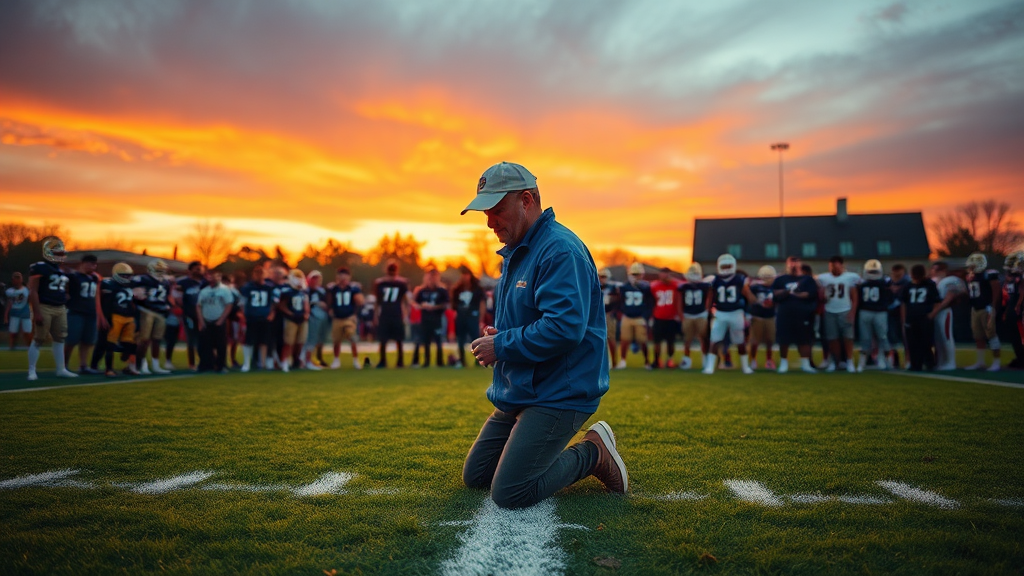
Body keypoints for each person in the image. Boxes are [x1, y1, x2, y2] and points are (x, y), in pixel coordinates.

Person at [459, 161, 625, 510]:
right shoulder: (520, 250)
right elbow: (534, 317)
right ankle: (531, 442)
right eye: (485, 212)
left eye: (497, 210)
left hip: (559, 391)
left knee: (510, 492)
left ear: (526, 200)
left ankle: (594, 452)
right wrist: (501, 334)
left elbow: (564, 328)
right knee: (477, 476)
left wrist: (501, 344)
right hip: (524, 387)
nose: (490, 222)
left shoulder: (559, 249)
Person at [27, 236, 77, 381]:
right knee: (38, 339)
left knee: (60, 338)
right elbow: (33, 290)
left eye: (62, 254)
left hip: (60, 308)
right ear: (48, 252)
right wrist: (36, 312)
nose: (61, 256)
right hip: (44, 306)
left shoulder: (59, 270)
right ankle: (32, 371)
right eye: (58, 253)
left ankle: (61, 369)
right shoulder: (40, 267)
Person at [702, 254, 757, 375]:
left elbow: (747, 294)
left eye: (728, 265)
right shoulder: (715, 280)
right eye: (724, 265)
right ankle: (710, 366)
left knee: (740, 340)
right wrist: (708, 310)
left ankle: (745, 367)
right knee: (715, 340)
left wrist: (754, 303)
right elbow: (710, 297)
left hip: (736, 313)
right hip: (720, 313)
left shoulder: (739, 279)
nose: (726, 268)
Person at [771, 256, 819, 374]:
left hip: (803, 313)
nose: (793, 266)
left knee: (804, 339)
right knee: (784, 339)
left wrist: (793, 294)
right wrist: (786, 292)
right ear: (787, 264)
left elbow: (809, 294)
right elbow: (774, 294)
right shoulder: (780, 279)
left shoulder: (807, 279)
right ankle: (783, 363)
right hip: (784, 313)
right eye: (791, 263)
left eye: (796, 263)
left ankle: (805, 364)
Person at [817, 256, 861, 373]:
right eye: (831, 266)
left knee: (848, 338)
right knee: (832, 339)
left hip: (845, 310)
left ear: (841, 266)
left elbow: (854, 297)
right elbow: (821, 296)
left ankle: (849, 361)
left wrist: (852, 312)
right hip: (829, 311)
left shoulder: (850, 277)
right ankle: (835, 362)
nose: (834, 269)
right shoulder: (824, 278)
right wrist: (822, 296)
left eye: (836, 266)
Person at [62, 254, 105, 374]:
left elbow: (97, 296)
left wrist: (99, 313)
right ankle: (63, 365)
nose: (93, 266)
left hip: (90, 312)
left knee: (88, 341)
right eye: (91, 263)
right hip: (76, 311)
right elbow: (64, 288)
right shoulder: (73, 276)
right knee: (71, 340)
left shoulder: (94, 278)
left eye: (95, 264)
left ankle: (83, 365)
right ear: (83, 263)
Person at [98, 262, 140, 377]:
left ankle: (129, 366)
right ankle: (109, 369)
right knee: (110, 344)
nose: (127, 278)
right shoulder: (109, 284)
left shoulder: (131, 285)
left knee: (130, 344)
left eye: (128, 275)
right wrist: (106, 318)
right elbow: (105, 303)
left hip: (129, 317)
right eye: (124, 275)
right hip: (116, 316)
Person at [133, 259, 174, 375]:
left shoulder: (165, 282)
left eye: (162, 269)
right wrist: (138, 294)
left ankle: (155, 365)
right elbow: (135, 294)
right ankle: (141, 364)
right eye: (158, 269)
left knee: (157, 340)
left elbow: (167, 296)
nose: (161, 272)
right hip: (146, 310)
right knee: (144, 340)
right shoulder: (142, 279)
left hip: (160, 312)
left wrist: (168, 305)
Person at [964, 252, 1002, 371]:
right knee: (978, 336)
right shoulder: (971, 276)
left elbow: (996, 290)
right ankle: (980, 362)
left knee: (991, 335)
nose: (971, 267)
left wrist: (993, 306)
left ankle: (996, 362)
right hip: (975, 308)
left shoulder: (989, 275)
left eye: (973, 265)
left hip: (986, 308)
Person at [900, 264, 941, 371]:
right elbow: (903, 303)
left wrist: (932, 314)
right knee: (912, 342)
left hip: (924, 317)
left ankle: (929, 363)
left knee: (926, 342)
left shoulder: (929, 285)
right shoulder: (908, 286)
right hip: (912, 317)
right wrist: (904, 319)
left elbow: (937, 301)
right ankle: (915, 364)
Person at [239, 266, 278, 372]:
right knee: (249, 341)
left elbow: (273, 303)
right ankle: (246, 363)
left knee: (264, 341)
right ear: (253, 274)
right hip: (251, 317)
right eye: (257, 273)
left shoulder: (269, 287)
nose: (259, 275)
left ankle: (262, 363)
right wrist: (243, 315)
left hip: (265, 317)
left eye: (261, 272)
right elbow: (242, 302)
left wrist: (272, 314)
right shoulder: (248, 287)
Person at [856, 259, 892, 372]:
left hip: (879, 312)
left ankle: (883, 359)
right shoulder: (863, 284)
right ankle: (863, 362)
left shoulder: (884, 284)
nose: (873, 274)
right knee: (866, 338)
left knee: (882, 336)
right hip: (867, 311)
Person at [196, 271, 235, 373]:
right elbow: (199, 306)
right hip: (206, 320)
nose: (213, 278)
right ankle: (206, 365)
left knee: (221, 345)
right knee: (204, 345)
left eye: (216, 276)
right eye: (211, 276)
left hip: (219, 319)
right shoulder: (204, 291)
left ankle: (221, 365)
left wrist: (221, 319)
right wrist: (201, 320)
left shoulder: (225, 290)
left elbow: (229, 305)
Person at [374, 261, 410, 368]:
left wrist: (405, 313)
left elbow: (405, 300)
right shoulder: (380, 283)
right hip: (385, 313)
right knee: (383, 339)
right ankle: (383, 361)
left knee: (399, 339)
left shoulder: (401, 284)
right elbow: (378, 301)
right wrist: (375, 315)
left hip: (396, 313)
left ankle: (400, 361)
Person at [412, 267, 450, 368]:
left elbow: (445, 304)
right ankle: (426, 361)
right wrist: (422, 306)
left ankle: (440, 361)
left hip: (437, 318)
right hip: (425, 319)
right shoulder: (422, 291)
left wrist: (434, 307)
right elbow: (415, 303)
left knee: (438, 341)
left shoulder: (442, 291)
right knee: (426, 341)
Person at [931, 261, 965, 371]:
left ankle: (951, 362)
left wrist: (936, 310)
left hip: (944, 312)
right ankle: (941, 361)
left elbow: (953, 296)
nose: (934, 272)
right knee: (938, 339)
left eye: (936, 270)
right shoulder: (934, 281)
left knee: (946, 337)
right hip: (936, 311)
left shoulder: (949, 281)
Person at [328, 267, 364, 369]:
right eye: (340, 276)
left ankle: (356, 359)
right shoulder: (333, 288)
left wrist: (356, 314)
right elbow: (330, 302)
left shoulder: (353, 289)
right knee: (336, 340)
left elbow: (360, 302)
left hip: (349, 317)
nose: (342, 279)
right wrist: (330, 310)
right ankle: (336, 359)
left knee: (352, 337)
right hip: (337, 317)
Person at [617, 263, 652, 369]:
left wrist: (646, 316)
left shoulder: (645, 287)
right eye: (634, 274)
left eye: (638, 274)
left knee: (643, 341)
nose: (636, 276)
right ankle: (623, 361)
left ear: (642, 274)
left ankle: (646, 362)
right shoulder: (624, 287)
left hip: (640, 317)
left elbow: (650, 303)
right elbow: (620, 301)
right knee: (624, 340)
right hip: (627, 316)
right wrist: (623, 311)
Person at [450, 265, 486, 369]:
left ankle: (478, 361)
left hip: (472, 316)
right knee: (460, 339)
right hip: (461, 317)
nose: (464, 277)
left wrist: (480, 318)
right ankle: (462, 360)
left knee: (475, 339)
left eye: (466, 275)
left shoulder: (477, 289)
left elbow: (482, 304)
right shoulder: (457, 289)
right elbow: (453, 305)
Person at [675, 264, 709, 370]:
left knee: (703, 338)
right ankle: (687, 360)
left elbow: (709, 298)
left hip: (700, 314)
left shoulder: (705, 286)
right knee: (687, 339)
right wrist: (681, 315)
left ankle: (705, 359)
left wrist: (706, 311)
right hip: (688, 314)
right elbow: (679, 302)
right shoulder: (683, 287)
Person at [276, 269, 310, 373]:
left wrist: (306, 313)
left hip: (302, 319)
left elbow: (306, 303)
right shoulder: (287, 290)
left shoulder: (303, 291)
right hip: (291, 319)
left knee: (300, 342)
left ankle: (296, 360)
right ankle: (285, 362)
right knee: (288, 343)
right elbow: (281, 305)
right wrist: (291, 313)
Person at [175, 261, 207, 371]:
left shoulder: (205, 283)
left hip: (204, 316)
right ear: (191, 270)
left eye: (201, 268)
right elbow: (178, 298)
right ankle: (192, 363)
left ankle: (205, 362)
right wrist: (186, 309)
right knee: (191, 339)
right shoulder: (183, 282)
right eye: (197, 269)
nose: (199, 271)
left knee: (204, 340)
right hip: (190, 314)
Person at [649, 267, 681, 368]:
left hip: (671, 317)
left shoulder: (675, 285)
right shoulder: (654, 285)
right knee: (657, 341)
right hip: (658, 317)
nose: (664, 276)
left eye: (666, 274)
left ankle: (670, 360)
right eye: (663, 273)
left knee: (670, 342)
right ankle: (657, 360)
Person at [748, 265, 777, 371]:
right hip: (758, 316)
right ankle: (753, 359)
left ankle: (769, 360)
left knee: (770, 340)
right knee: (755, 340)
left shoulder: (775, 287)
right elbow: (749, 297)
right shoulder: (755, 287)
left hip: (770, 316)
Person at [1001, 251, 1024, 368]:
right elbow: (1006, 294)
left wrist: (1018, 305)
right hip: (1012, 308)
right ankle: (1020, 358)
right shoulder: (1009, 277)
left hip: (1019, 309)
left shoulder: (1020, 278)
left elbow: (1021, 291)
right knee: (1014, 336)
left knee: (1021, 335)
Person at [304, 270, 330, 370]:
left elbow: (327, 303)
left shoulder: (321, 291)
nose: (316, 281)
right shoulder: (306, 291)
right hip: (312, 318)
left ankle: (314, 359)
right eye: (314, 279)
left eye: (317, 279)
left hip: (321, 318)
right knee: (310, 339)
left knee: (318, 340)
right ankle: (307, 360)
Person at [887, 263, 910, 369]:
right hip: (892, 314)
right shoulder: (888, 283)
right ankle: (895, 360)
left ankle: (908, 360)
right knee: (892, 339)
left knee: (907, 338)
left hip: (906, 313)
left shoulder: (908, 283)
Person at [599, 268, 621, 368]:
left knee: (611, 338)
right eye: (600, 276)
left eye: (603, 277)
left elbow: (617, 302)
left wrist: (612, 312)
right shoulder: (594, 287)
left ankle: (614, 362)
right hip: (597, 316)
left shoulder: (613, 288)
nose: (601, 279)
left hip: (609, 315)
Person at [5, 272, 32, 351]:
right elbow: (9, 303)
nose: (16, 280)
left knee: (27, 332)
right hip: (14, 313)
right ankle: (12, 347)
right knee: (13, 332)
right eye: (15, 278)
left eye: (18, 278)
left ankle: (30, 348)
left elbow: (30, 301)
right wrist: (6, 316)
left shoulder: (27, 290)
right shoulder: (9, 291)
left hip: (25, 313)